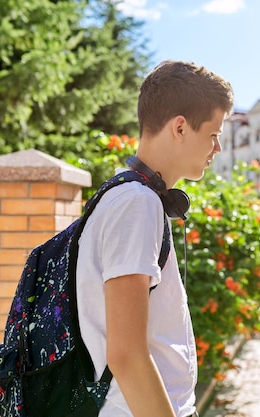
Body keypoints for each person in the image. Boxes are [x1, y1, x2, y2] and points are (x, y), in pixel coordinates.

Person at [76, 60, 234, 417]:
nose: (217, 148)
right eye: (213, 134)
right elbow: (126, 354)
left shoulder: (129, 195)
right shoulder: (137, 202)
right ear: (180, 127)